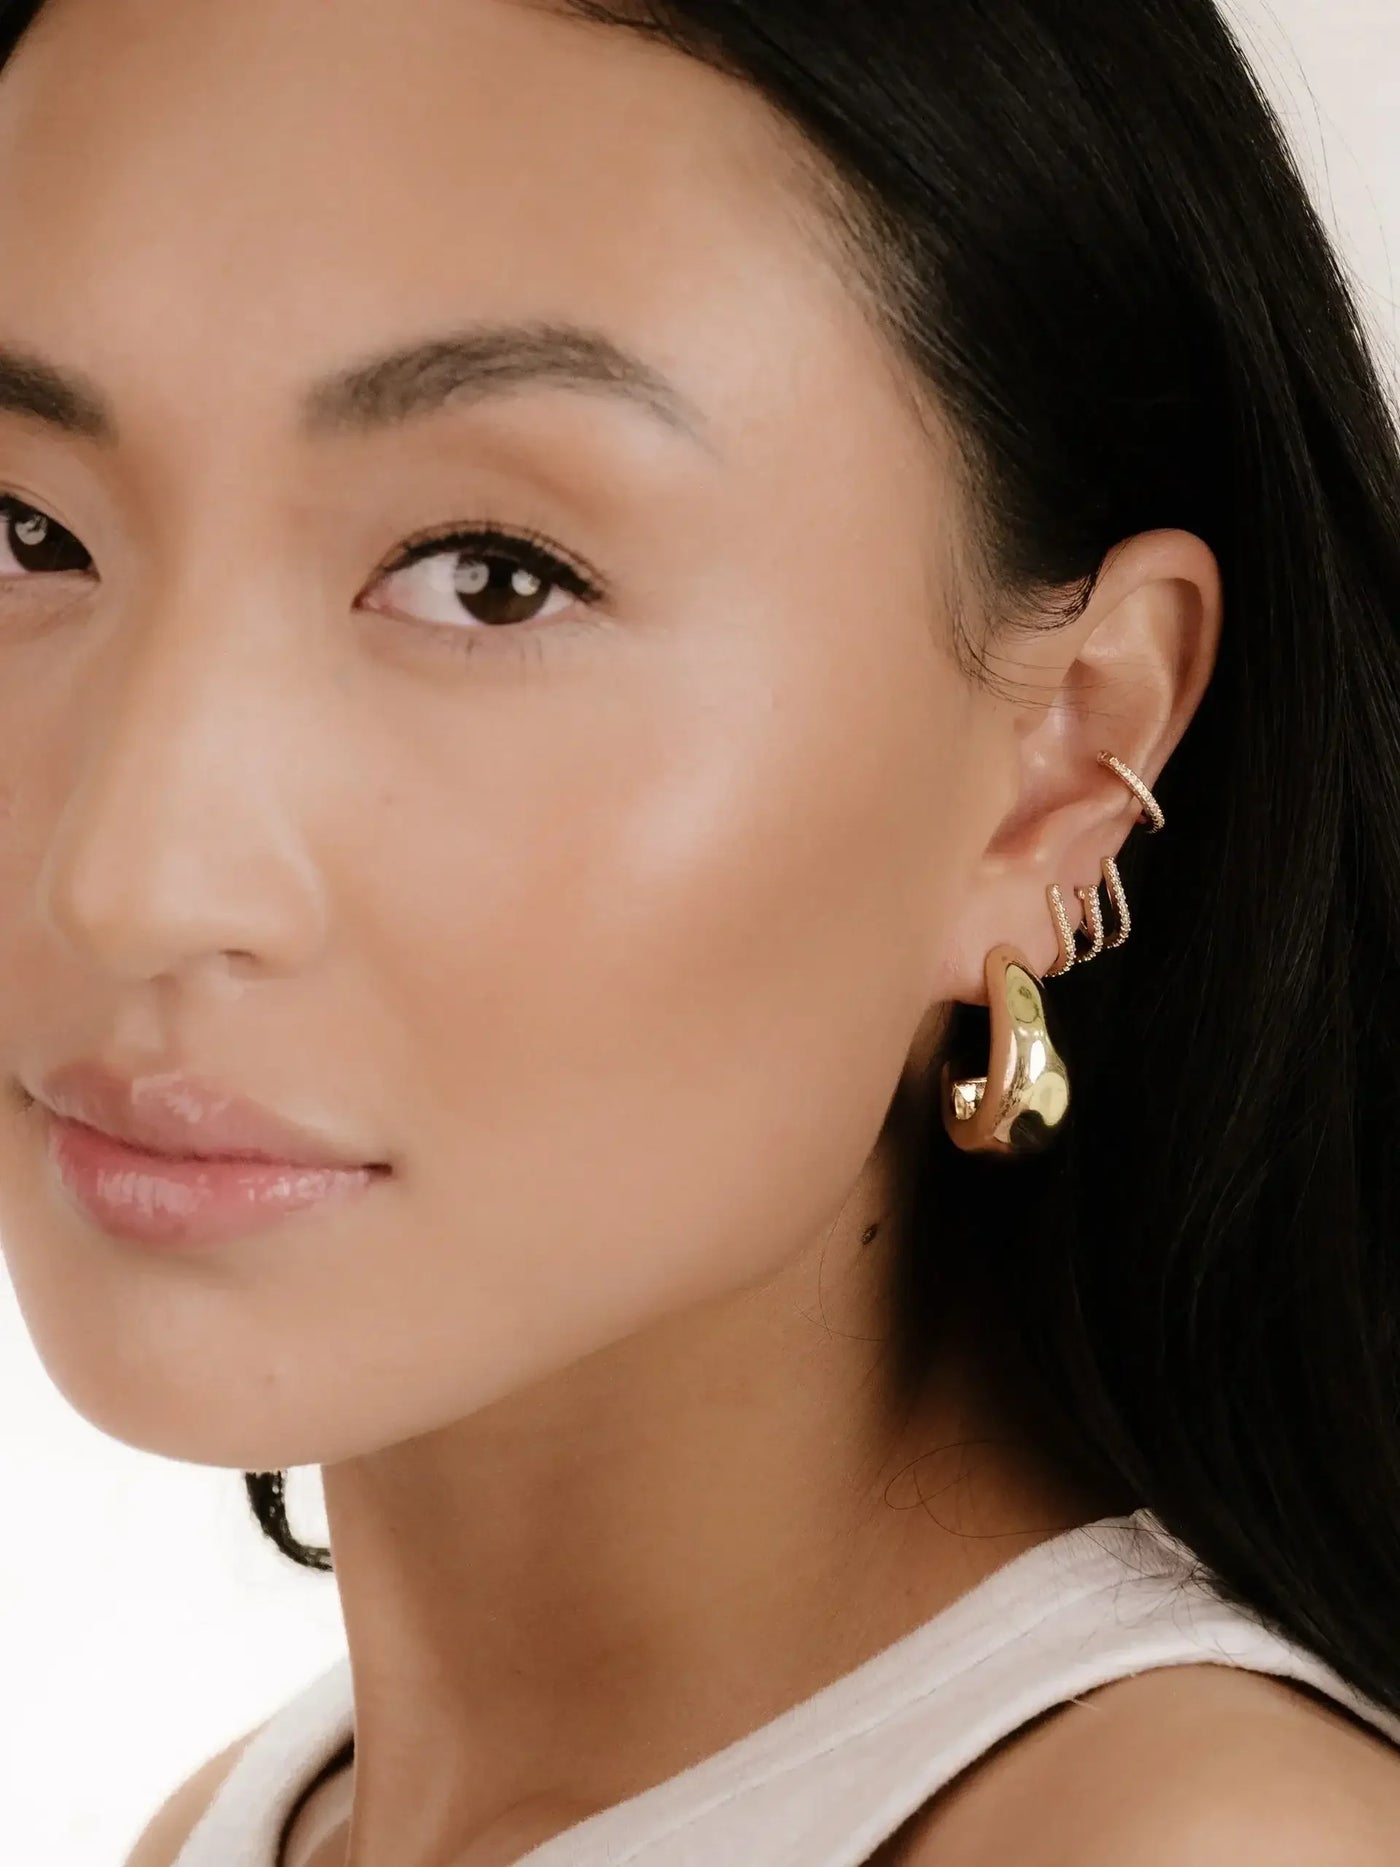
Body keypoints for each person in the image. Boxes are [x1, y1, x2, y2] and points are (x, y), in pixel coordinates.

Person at [1, 0, 1399, 1861]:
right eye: (24, 533)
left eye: (492, 580)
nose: (126, 878)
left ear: (1069, 756)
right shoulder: (255, 1824)